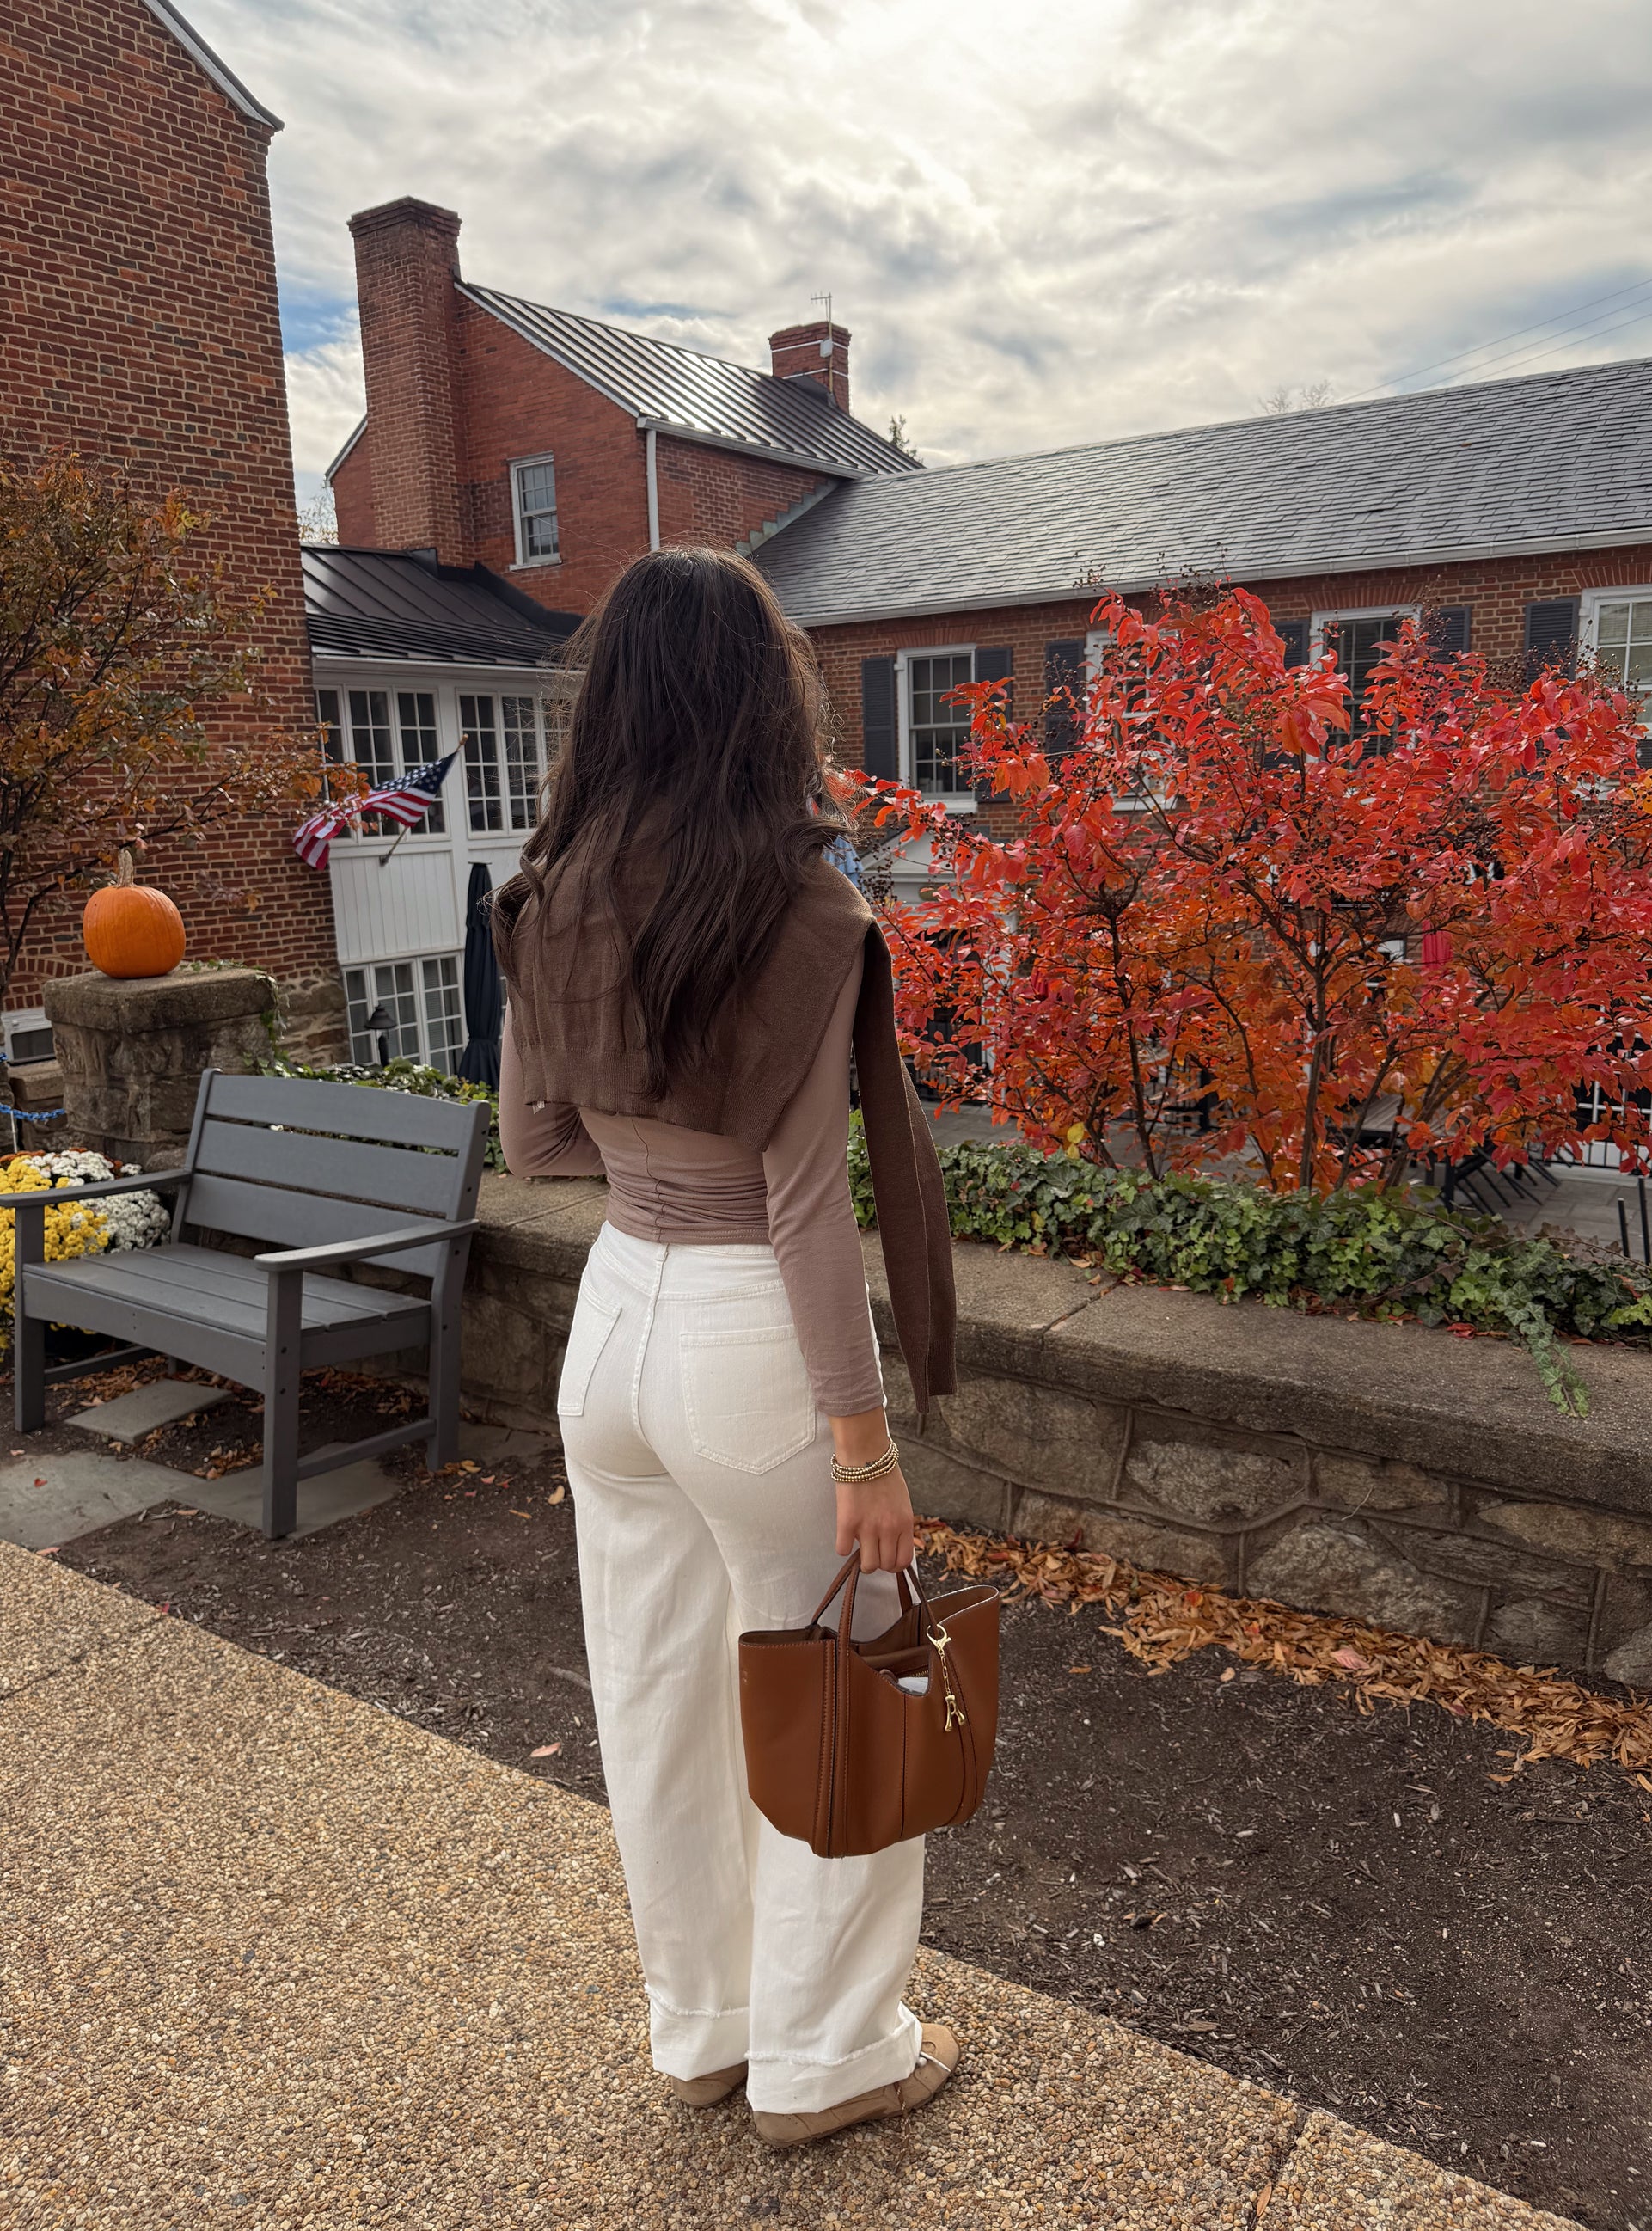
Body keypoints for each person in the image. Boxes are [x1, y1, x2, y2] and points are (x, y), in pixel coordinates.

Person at [493, 545, 959, 2150]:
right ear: (766, 696)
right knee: (851, 1686)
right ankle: (828, 2061)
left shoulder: (547, 888)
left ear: (611, 695)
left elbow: (534, 1143)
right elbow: (806, 1203)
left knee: (658, 1699)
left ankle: (700, 2033)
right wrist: (864, 1446)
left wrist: (648, 1157)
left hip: (612, 1326)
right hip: (751, 1340)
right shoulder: (805, 903)